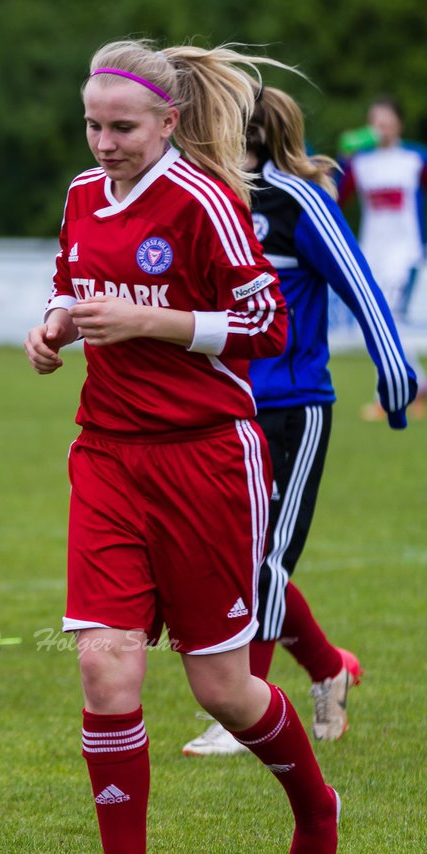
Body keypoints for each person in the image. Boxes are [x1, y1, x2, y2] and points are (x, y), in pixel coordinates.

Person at [25, 40, 340, 852]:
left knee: (225, 690)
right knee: (105, 668)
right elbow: (71, 277)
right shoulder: (80, 195)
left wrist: (153, 323)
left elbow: (270, 327)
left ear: (168, 122)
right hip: (106, 454)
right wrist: (54, 323)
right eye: (92, 126)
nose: (104, 143)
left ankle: (315, 810)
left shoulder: (204, 203)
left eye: (122, 127)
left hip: (205, 460)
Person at [181, 86, 418, 757]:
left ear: (241, 129)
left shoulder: (299, 201)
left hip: (291, 409)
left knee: (264, 561)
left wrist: (396, 380)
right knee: (230, 560)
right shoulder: (210, 196)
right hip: (221, 411)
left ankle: (243, 711)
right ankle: (326, 667)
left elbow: (363, 290)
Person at [338, 97, 427, 420]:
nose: (382, 126)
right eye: (376, 120)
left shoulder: (415, 158)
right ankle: (416, 386)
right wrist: (344, 158)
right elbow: (337, 195)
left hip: (406, 254)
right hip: (372, 251)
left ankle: (387, 395)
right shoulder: (360, 163)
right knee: (388, 323)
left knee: (386, 322)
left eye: (387, 120)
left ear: (399, 124)